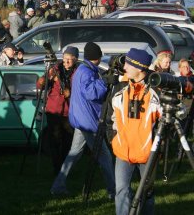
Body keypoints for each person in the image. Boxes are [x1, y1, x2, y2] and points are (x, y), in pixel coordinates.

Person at [50, 42, 115, 198]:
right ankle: (114, 191)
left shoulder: (82, 69)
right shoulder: (86, 71)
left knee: (74, 153)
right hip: (88, 122)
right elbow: (91, 93)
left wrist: (102, 80)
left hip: (81, 118)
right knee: (105, 157)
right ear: (98, 57)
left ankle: (58, 186)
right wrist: (104, 82)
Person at [111, 48, 160, 215]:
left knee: (147, 194)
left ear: (139, 68)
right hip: (123, 151)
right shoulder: (121, 88)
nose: (124, 67)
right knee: (121, 191)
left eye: (128, 64)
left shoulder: (155, 92)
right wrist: (115, 135)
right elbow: (114, 116)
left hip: (147, 154)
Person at [36, 46, 79, 174]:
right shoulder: (55, 69)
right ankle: (56, 167)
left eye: (69, 60)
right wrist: (43, 81)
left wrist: (70, 93)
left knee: (67, 141)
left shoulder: (78, 72)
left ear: (75, 60)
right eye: (65, 59)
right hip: (53, 110)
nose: (66, 62)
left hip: (69, 112)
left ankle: (64, 167)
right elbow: (40, 85)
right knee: (54, 139)